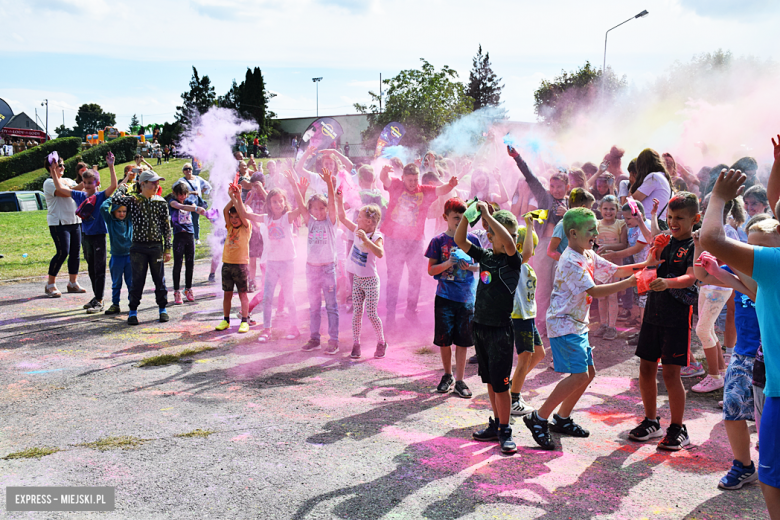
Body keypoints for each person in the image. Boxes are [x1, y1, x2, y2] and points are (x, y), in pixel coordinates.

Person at [525, 207, 647, 451]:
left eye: (596, 228)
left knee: (588, 374)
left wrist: (649, 263)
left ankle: (562, 418)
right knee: (579, 375)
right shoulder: (570, 260)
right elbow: (594, 291)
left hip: (577, 324)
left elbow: (615, 270)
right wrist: (631, 282)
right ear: (573, 233)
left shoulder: (588, 254)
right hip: (563, 324)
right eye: (591, 229)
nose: (596, 233)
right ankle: (538, 417)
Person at [699, 155, 780, 518]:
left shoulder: (775, 263)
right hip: (763, 371)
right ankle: (743, 463)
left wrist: (718, 196)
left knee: (773, 477)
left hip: (773, 383)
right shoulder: (770, 270)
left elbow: (712, 238)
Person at [695, 216, 777, 490]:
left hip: (767, 356)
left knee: (767, 419)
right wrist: (708, 256)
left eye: (763, 249)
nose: (757, 255)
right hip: (744, 353)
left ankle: (769, 468)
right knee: (732, 407)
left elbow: (753, 290)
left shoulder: (772, 276)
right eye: (752, 249)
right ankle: (743, 465)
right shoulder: (744, 265)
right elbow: (704, 275)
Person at [628, 192, 700, 451]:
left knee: (671, 374)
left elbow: (691, 277)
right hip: (653, 315)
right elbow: (651, 262)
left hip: (677, 318)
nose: (673, 222)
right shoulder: (666, 241)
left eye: (679, 218)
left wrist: (667, 282)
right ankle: (651, 421)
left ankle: (678, 427)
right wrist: (653, 252)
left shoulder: (695, 245)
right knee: (646, 368)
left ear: (696, 219)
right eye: (670, 217)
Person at [455, 202, 522, 455]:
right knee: (491, 384)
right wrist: (470, 215)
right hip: (480, 327)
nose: (512, 239)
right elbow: (460, 239)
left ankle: (506, 430)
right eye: (508, 234)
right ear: (489, 235)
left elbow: (508, 243)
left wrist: (488, 216)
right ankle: (496, 424)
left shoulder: (514, 261)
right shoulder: (485, 256)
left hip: (500, 331)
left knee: (502, 385)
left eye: (514, 235)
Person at [379, 163, 458, 331]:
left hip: (415, 241)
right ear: (403, 179)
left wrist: (450, 185)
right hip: (394, 240)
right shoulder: (396, 185)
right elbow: (384, 179)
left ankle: (411, 312)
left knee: (415, 277)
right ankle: (390, 318)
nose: (413, 183)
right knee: (394, 277)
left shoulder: (423, 190)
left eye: (415, 179)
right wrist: (384, 172)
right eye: (410, 180)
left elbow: (440, 190)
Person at [507, 145, 568, 337]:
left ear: (568, 187)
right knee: (542, 287)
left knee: (561, 287)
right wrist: (517, 157)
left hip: (564, 249)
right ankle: (540, 325)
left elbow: (584, 223)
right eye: (553, 186)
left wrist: (568, 215)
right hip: (544, 246)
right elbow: (531, 177)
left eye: (560, 187)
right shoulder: (544, 197)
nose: (555, 190)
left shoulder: (572, 203)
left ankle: (557, 324)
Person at [425, 197, 480, 398]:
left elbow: (481, 265)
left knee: (464, 341)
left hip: (466, 298)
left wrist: (470, 266)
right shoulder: (438, 241)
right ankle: (447, 374)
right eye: (456, 217)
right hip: (445, 298)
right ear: (445, 217)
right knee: (444, 340)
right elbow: (431, 270)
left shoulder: (472, 240)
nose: (459, 221)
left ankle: (460, 379)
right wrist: (449, 263)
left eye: (463, 217)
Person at [50, 153, 118, 313]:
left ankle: (99, 300)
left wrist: (111, 166)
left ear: (97, 183)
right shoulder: (79, 195)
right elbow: (60, 188)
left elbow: (114, 186)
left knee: (99, 269)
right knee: (91, 268)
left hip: (99, 236)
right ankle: (96, 297)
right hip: (85, 236)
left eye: (90, 183)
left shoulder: (101, 196)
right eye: (85, 182)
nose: (87, 185)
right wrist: (53, 170)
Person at [687, 198, 742, 391]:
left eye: (706, 208)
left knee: (702, 330)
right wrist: (697, 242)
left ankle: (714, 376)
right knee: (707, 328)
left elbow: (729, 261)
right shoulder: (709, 230)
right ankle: (720, 371)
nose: (703, 211)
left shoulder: (727, 231)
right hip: (707, 284)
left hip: (719, 285)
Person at [251, 170, 307, 342]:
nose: (277, 203)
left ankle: (294, 327)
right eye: (274, 201)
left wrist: (297, 189)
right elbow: (246, 214)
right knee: (267, 297)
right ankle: (266, 330)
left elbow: (302, 208)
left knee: (289, 297)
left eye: (280, 201)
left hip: (287, 263)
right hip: (272, 264)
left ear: (284, 203)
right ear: (269, 204)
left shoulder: (287, 218)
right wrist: (237, 198)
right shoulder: (266, 219)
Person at [112, 170, 172, 325]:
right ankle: (133, 311)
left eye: (157, 182)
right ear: (143, 184)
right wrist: (125, 186)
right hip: (138, 247)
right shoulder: (134, 200)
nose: (156, 185)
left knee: (159, 279)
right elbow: (115, 198)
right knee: (137, 280)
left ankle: (162, 309)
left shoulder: (161, 202)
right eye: (153, 182)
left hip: (156, 247)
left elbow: (167, 227)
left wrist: (167, 249)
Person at [335, 179, 387, 359]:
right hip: (357, 279)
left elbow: (379, 253)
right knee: (357, 313)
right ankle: (356, 344)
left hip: (371, 281)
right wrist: (339, 200)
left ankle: (381, 342)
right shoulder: (357, 228)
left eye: (360, 218)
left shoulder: (376, 235)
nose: (356, 219)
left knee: (372, 314)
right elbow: (342, 218)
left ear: (371, 223)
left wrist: (366, 240)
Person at [300, 168, 340, 354]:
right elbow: (300, 207)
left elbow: (332, 203)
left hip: (327, 269)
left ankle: (333, 340)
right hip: (311, 269)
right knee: (314, 306)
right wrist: (297, 188)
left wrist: (329, 183)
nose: (319, 211)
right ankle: (314, 338)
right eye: (315, 208)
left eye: (322, 208)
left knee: (331, 305)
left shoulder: (330, 223)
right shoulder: (311, 222)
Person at [510, 215, 544, 416]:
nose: (533, 252)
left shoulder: (527, 266)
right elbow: (527, 251)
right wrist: (530, 225)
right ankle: (514, 398)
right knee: (525, 358)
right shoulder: (515, 262)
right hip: (518, 317)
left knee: (539, 354)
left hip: (528, 317)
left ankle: (513, 386)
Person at [600, 201, 652, 333]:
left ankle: (646, 332)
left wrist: (614, 254)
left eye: (628, 218)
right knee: (641, 300)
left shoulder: (646, 226)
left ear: (638, 215)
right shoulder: (632, 228)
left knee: (646, 301)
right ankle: (643, 331)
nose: (626, 221)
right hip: (639, 269)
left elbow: (635, 249)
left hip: (649, 269)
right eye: (624, 217)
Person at [42, 153, 85, 298]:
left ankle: (72, 283)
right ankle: (50, 284)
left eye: (63, 165)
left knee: (75, 253)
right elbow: (63, 192)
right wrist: (54, 172)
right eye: (59, 165)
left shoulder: (68, 180)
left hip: (75, 221)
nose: (63, 167)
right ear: (51, 166)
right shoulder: (48, 183)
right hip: (58, 222)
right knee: (63, 252)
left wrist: (90, 180)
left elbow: (78, 190)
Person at [215, 185, 253, 333]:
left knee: (243, 294)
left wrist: (237, 198)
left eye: (237, 217)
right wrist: (232, 196)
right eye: (232, 217)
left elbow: (242, 214)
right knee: (227, 294)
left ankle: (244, 320)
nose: (234, 219)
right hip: (227, 265)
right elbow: (226, 211)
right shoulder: (230, 227)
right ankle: (226, 320)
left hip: (241, 265)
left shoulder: (245, 226)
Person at [100, 170, 135, 315]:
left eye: (124, 211)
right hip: (116, 257)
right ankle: (115, 304)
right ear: (114, 212)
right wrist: (114, 198)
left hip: (130, 257)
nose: (121, 213)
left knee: (131, 283)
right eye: (119, 211)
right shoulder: (111, 221)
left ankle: (133, 304)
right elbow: (103, 207)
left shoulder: (129, 220)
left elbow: (134, 206)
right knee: (116, 283)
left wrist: (126, 194)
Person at [592, 195, 627, 339]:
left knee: (612, 296)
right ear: (600, 209)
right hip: (600, 265)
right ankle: (603, 324)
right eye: (605, 208)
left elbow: (624, 244)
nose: (608, 211)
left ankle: (612, 327)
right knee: (601, 296)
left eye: (612, 209)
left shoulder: (621, 224)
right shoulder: (596, 224)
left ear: (617, 209)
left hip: (615, 265)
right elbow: (592, 242)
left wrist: (607, 247)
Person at [169, 182, 206, 305]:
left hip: (189, 235)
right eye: (180, 194)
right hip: (179, 236)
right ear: (175, 193)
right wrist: (196, 209)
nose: (182, 196)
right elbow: (181, 207)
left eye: (184, 194)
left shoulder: (189, 202)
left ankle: (188, 289)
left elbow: (193, 207)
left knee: (190, 264)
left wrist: (204, 212)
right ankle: (176, 291)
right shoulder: (172, 202)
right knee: (178, 265)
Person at [547, 188, 595, 262]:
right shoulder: (562, 225)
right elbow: (551, 251)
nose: (591, 211)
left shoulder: (584, 226)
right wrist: (569, 262)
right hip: (566, 271)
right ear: (583, 208)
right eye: (590, 208)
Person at [630, 148, 673, 223]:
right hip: (657, 223)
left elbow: (631, 203)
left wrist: (633, 183)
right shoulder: (663, 177)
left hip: (648, 224)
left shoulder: (653, 177)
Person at [178, 163, 212, 245]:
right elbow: (179, 191)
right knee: (186, 220)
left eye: (189, 168)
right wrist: (192, 192)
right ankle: (187, 238)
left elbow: (208, 186)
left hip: (196, 203)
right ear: (183, 171)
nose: (188, 170)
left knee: (195, 220)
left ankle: (196, 238)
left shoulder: (197, 179)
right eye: (186, 169)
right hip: (186, 203)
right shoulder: (181, 181)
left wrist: (200, 192)